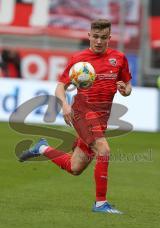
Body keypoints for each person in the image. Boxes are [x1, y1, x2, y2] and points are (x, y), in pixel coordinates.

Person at [19, 19, 132, 214]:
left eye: (103, 38)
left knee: (75, 167)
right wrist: (64, 104)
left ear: (109, 38)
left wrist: (125, 90)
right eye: (95, 37)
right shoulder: (79, 60)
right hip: (82, 112)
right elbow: (60, 86)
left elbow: (128, 87)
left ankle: (42, 148)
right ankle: (100, 204)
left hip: (102, 118)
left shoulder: (119, 58)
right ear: (89, 36)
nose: (98, 41)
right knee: (104, 150)